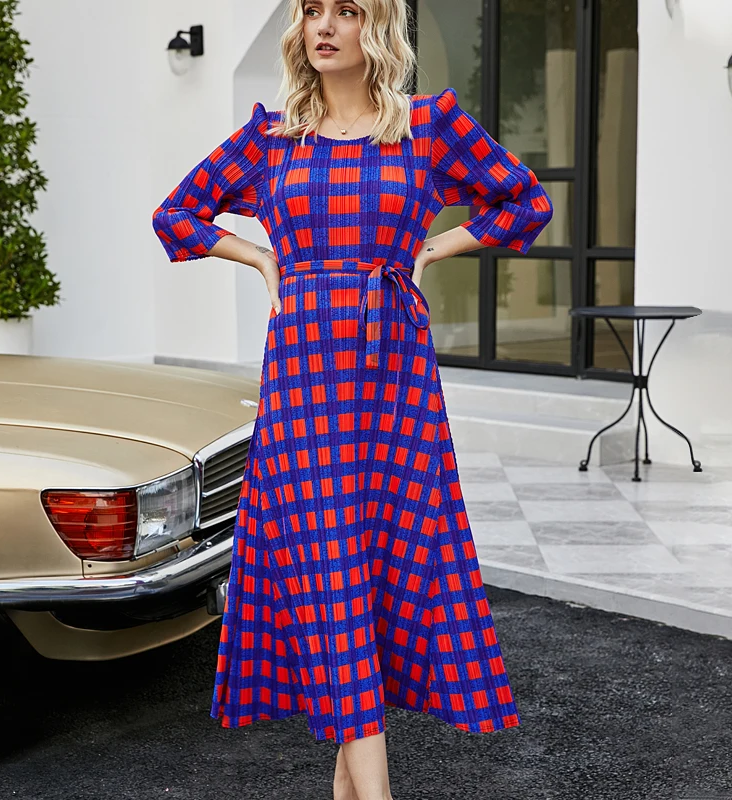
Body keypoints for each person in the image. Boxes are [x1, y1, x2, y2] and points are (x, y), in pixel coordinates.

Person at [152, 1, 553, 797]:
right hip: (303, 374)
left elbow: (524, 202)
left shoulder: (428, 129)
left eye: (346, 10)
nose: (324, 25)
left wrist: (433, 245)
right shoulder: (272, 140)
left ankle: (352, 783)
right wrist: (261, 258)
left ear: (378, 28)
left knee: (380, 557)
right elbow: (177, 214)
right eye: (312, 10)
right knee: (327, 559)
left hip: (394, 374)